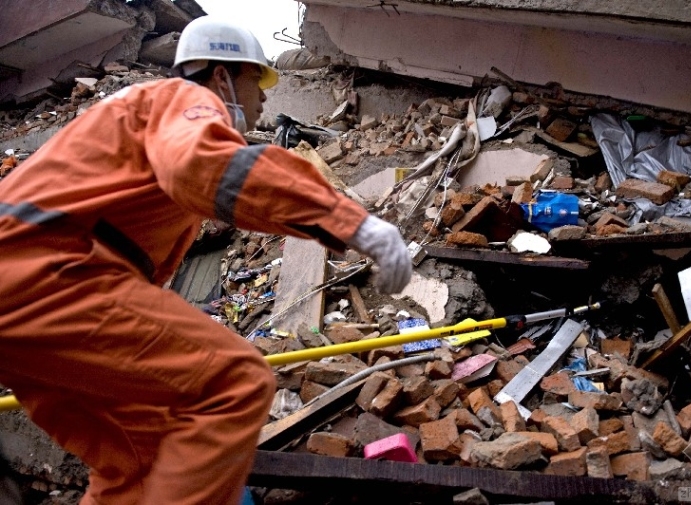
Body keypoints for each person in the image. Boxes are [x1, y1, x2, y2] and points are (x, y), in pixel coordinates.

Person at [0, 15, 411, 505]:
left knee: (136, 462)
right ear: (221, 77)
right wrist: (352, 223)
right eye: (257, 84)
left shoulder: (131, 127)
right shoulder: (180, 100)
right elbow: (202, 166)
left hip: (25, 295)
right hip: (49, 269)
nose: (262, 105)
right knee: (233, 384)